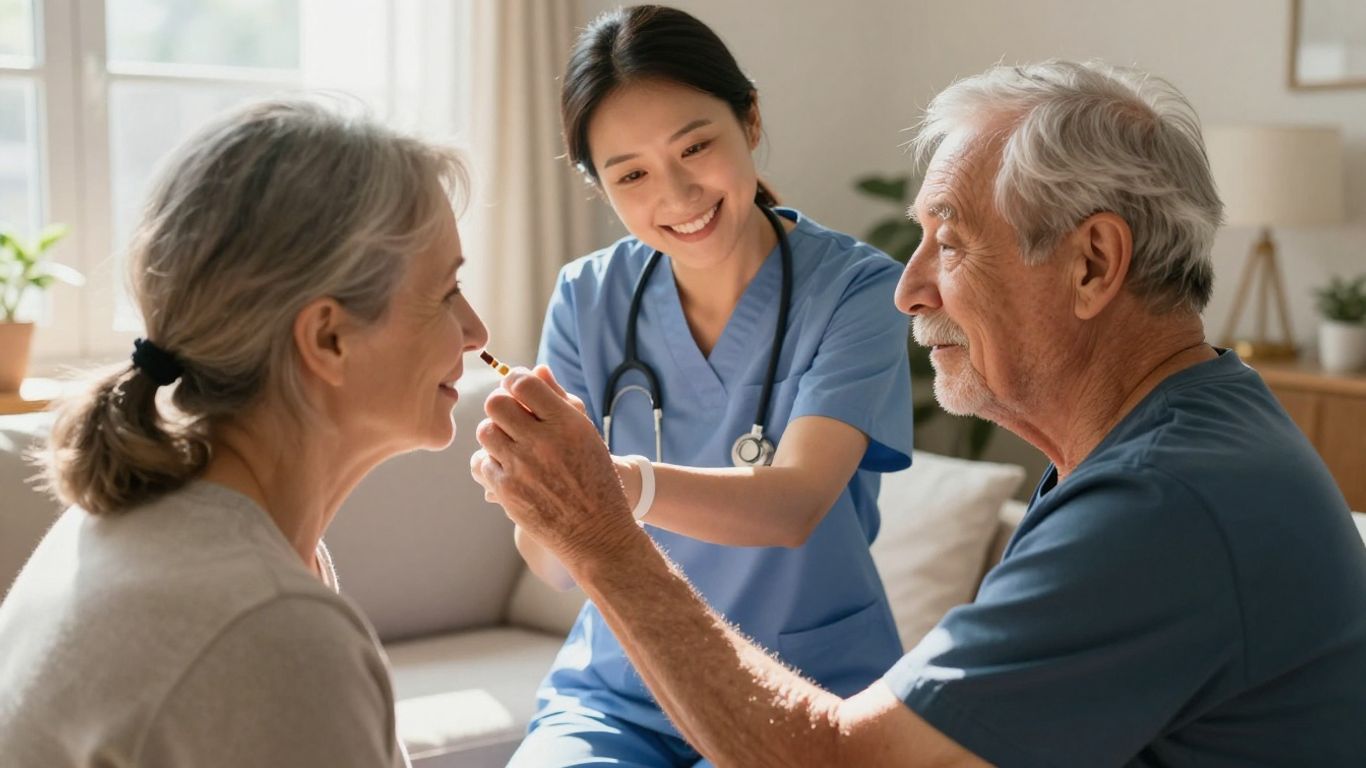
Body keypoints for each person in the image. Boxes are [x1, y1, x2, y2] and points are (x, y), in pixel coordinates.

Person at [473, 60, 1366, 766]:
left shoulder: (1161, 506)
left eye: (952, 242)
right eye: (629, 172)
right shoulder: (1167, 438)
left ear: (1093, 264)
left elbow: (841, 765)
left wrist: (602, 522)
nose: (908, 287)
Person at [0, 98, 489, 767]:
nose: (476, 332)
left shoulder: (176, 527)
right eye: (447, 292)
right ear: (328, 337)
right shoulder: (264, 623)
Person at [503, 5, 914, 765]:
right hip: (621, 691)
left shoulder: (858, 291)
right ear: (601, 187)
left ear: (750, 120)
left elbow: (793, 506)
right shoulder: (586, 299)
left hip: (805, 689)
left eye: (696, 146)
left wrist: (613, 484)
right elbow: (553, 565)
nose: (679, 193)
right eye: (631, 174)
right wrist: (531, 492)